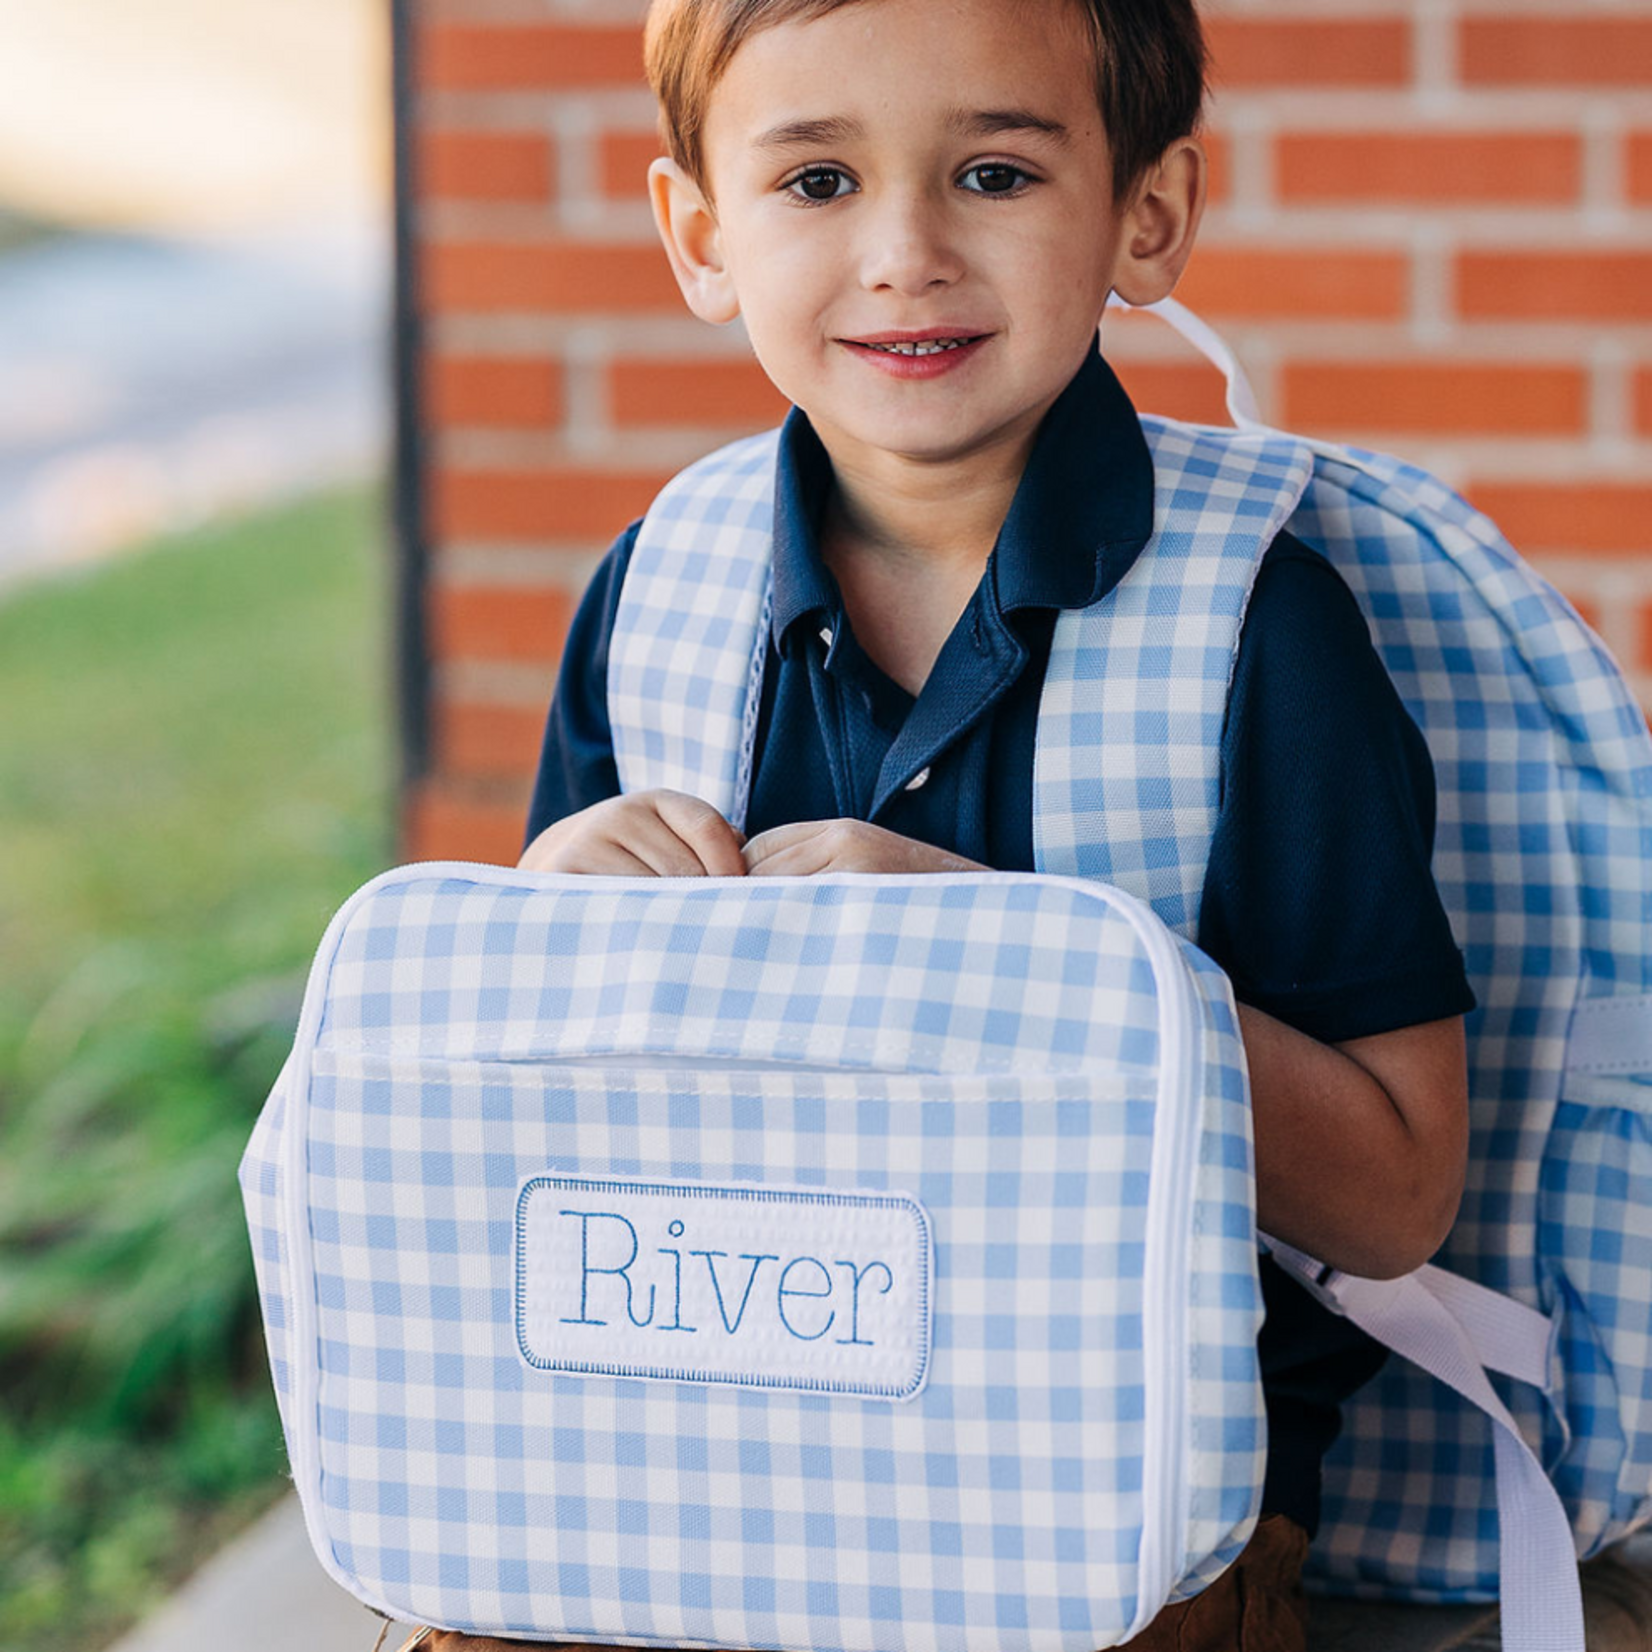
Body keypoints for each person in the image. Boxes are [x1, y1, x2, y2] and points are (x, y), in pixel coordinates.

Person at [427, 0, 1480, 1646]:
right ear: (702, 236)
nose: (906, 251)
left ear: (1148, 217)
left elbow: (1402, 1193)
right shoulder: (658, 594)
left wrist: (1005, 963)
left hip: (1107, 1504)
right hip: (700, 1454)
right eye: (819, 182)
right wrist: (553, 919)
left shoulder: (1257, 626)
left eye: (992, 173)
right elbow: (544, 1134)